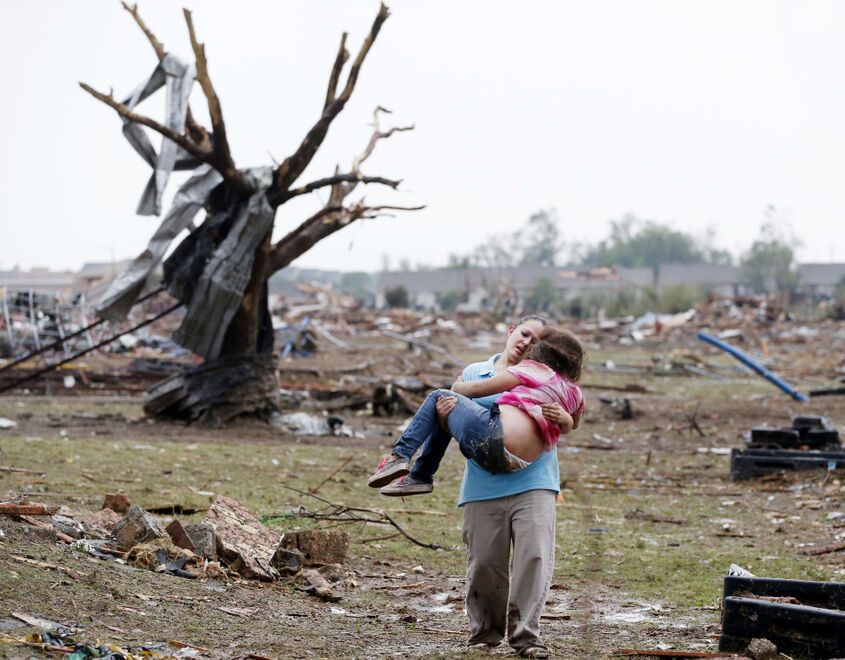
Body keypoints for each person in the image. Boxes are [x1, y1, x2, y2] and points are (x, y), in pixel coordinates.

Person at [372, 315, 573, 658]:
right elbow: (451, 416)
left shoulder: (548, 378)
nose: (527, 342)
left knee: (534, 558)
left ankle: (527, 638)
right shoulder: (473, 373)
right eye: (524, 333)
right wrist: (445, 409)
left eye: (536, 340)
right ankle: (485, 636)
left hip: (535, 483)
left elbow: (570, 418)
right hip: (483, 485)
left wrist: (565, 418)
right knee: (484, 564)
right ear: (511, 331)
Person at [367, 326, 584, 488]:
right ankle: (420, 476)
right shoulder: (575, 393)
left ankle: (401, 459)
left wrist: (457, 386)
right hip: (518, 462)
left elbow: (479, 389)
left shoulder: (532, 368)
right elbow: (573, 424)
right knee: (447, 407)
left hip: (495, 438)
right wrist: (565, 419)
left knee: (440, 397)